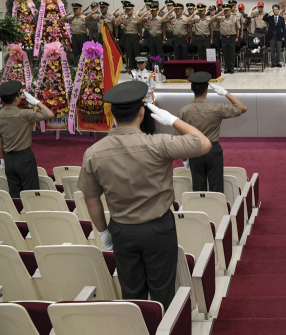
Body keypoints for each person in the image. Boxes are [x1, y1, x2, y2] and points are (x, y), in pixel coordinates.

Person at [78, 81, 210, 311]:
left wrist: (103, 232)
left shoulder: (93, 153)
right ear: (142, 112)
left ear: (112, 114)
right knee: (163, 291)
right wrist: (172, 120)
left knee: (132, 293)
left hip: (122, 229)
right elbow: (204, 143)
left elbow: (91, 199)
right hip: (158, 228)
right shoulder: (158, 144)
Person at [178, 71, 246, 192]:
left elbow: (180, 138)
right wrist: (225, 93)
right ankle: (217, 210)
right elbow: (242, 108)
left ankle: (200, 209)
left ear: (191, 89)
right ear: (206, 90)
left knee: (198, 189)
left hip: (195, 150)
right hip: (213, 150)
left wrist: (184, 158)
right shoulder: (216, 108)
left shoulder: (184, 111)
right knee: (216, 187)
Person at [0, 81, 54, 198]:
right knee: (32, 195)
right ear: (16, 99)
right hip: (25, 158)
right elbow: (49, 114)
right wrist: (36, 102)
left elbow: (0, 140)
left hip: (9, 159)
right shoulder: (24, 114)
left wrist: (2, 159)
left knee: (15, 195)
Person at [131, 56, 157, 134]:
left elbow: (152, 87)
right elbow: (132, 86)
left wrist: (143, 94)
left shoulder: (150, 74)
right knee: (140, 119)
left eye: (141, 63)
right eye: (138, 64)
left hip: (148, 100)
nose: (140, 65)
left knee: (149, 119)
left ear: (145, 64)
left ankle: (150, 134)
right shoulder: (134, 73)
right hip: (138, 100)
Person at [214, 4, 241, 74]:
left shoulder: (234, 18)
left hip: (232, 37)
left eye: (227, 10)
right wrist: (220, 13)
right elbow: (212, 19)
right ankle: (226, 68)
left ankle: (231, 68)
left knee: (231, 54)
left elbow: (238, 28)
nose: (226, 11)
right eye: (224, 10)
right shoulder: (221, 18)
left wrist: (237, 37)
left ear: (230, 10)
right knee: (225, 54)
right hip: (223, 38)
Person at [115, 1, 141, 68]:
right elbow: (116, 23)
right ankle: (132, 69)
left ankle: (138, 68)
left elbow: (140, 28)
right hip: (127, 37)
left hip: (135, 36)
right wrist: (120, 15)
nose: (128, 11)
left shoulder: (136, 17)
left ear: (132, 9)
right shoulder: (124, 18)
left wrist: (140, 38)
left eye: (129, 9)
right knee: (129, 54)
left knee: (136, 53)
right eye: (127, 9)